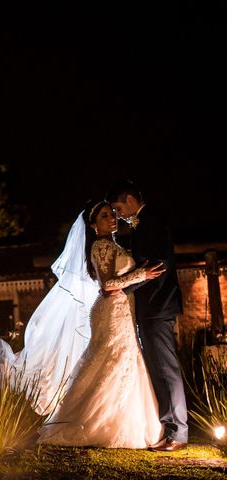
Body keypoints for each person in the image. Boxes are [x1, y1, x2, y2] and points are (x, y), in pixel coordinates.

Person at [37, 201, 165, 448]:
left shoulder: (113, 245)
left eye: (112, 214)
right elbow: (107, 284)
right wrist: (142, 274)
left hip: (122, 308)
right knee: (113, 358)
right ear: (93, 225)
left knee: (121, 358)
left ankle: (125, 421)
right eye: (105, 216)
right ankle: (95, 423)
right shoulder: (101, 245)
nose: (112, 218)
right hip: (111, 310)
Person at [106, 180, 188, 452]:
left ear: (130, 199)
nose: (117, 214)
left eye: (118, 208)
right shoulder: (144, 222)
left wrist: (125, 287)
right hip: (150, 306)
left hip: (158, 304)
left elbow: (158, 264)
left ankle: (178, 431)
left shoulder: (151, 221)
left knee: (165, 368)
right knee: (158, 367)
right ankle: (170, 428)